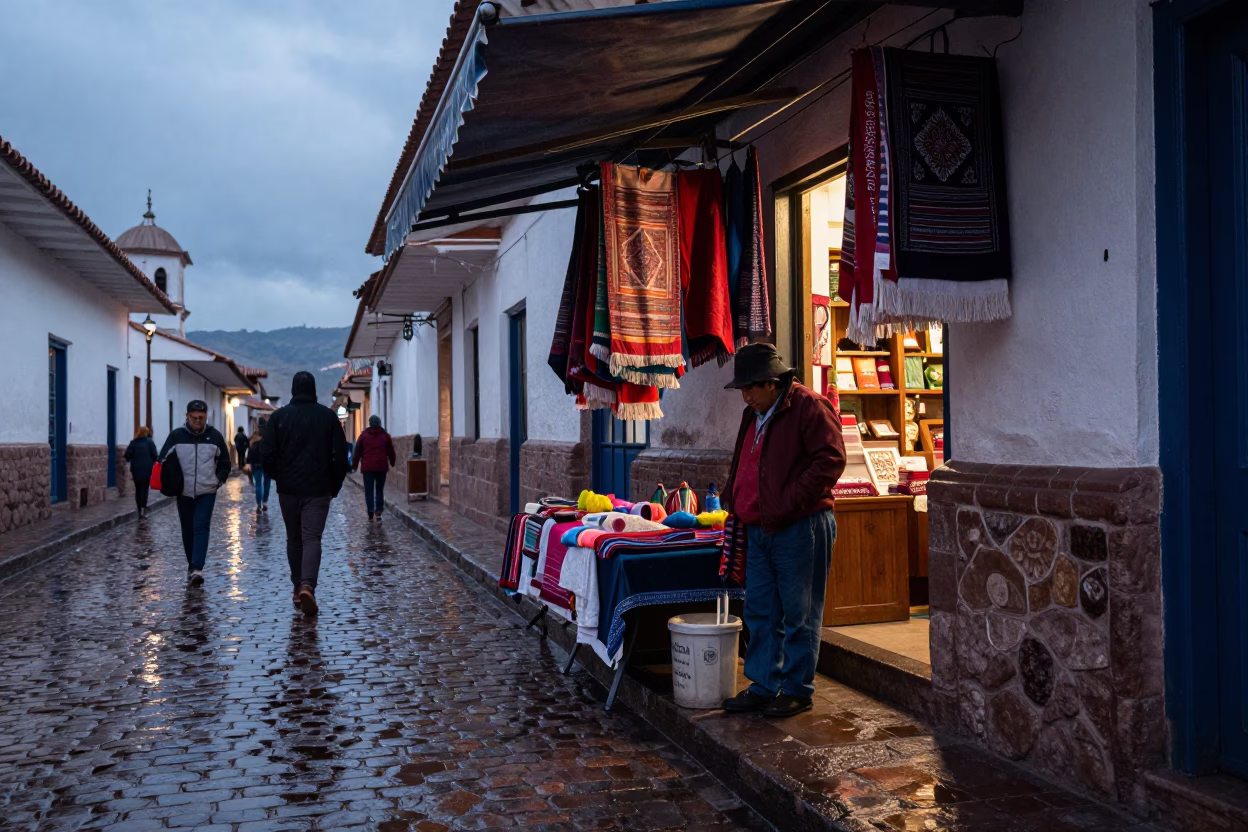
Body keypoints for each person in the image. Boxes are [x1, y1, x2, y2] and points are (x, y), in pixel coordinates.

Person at [720, 344, 846, 718]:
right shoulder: (753, 412)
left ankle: (796, 689)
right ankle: (763, 684)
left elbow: (831, 460)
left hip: (799, 526)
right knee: (760, 610)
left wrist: (788, 501)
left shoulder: (808, 406)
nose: (745, 395)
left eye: (751, 388)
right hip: (761, 528)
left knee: (800, 612)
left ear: (773, 383)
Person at [263, 371, 349, 616]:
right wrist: (335, 484)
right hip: (319, 488)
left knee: (293, 538)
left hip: (288, 489)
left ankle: (297, 586)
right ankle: (307, 586)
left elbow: (266, 454)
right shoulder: (327, 417)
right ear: (312, 389)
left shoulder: (279, 417)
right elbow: (341, 455)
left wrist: (279, 477)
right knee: (312, 538)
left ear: (293, 389)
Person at [159, 400, 230, 587]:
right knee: (187, 530)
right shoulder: (176, 436)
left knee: (201, 526)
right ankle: (192, 566)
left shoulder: (214, 436)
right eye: (194, 417)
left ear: (206, 416)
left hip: (207, 490)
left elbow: (225, 462)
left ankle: (198, 568)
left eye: (201, 417)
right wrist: (172, 478)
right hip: (183, 491)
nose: (197, 421)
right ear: (187, 416)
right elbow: (162, 459)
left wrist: (218, 480)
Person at [352, 415, 396, 521]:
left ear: (370, 423)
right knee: (379, 489)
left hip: (367, 467)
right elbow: (390, 450)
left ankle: (370, 511)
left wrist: (355, 465)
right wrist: (392, 461)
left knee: (369, 490)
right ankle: (379, 511)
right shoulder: (385, 435)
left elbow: (357, 451)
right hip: (381, 466)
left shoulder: (363, 435)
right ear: (379, 423)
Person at [123, 426, 159, 518]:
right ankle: (143, 507)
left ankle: (139, 509)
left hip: (136, 469)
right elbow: (155, 455)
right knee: (144, 488)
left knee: (138, 489)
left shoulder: (133, 442)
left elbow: (127, 455)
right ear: (146, 433)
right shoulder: (150, 442)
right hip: (147, 469)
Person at [244, 417, 271, 514]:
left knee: (258, 484)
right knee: (267, 483)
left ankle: (259, 506)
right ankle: (265, 502)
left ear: (258, 426)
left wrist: (248, 462)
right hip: (267, 463)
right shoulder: (270, 437)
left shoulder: (254, 437)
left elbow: (250, 451)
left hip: (256, 463)